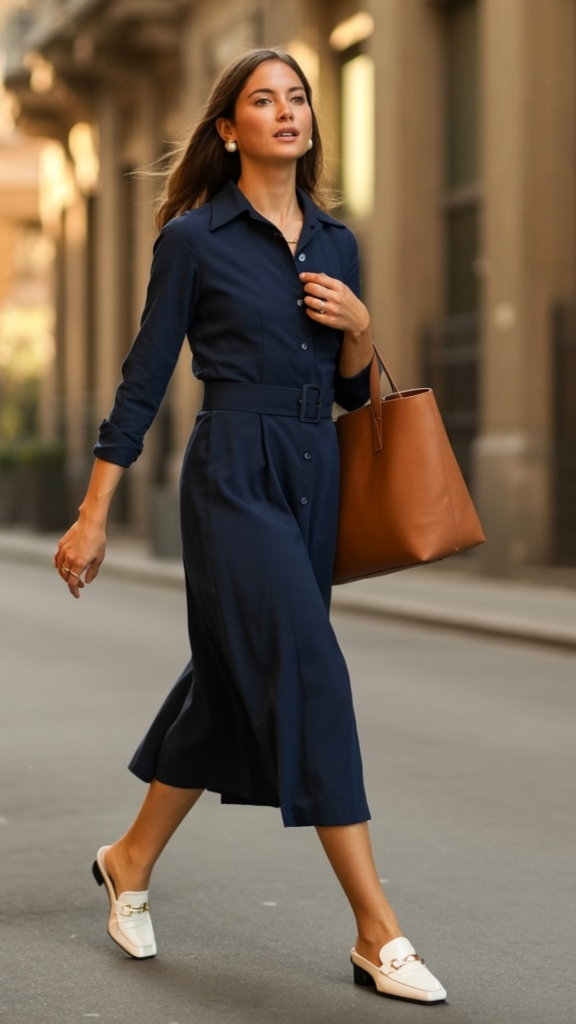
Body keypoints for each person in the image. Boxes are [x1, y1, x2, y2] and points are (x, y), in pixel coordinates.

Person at [54, 48, 447, 1005]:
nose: (286, 111)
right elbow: (145, 380)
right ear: (229, 128)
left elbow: (353, 392)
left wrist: (360, 329)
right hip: (233, 474)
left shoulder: (337, 243)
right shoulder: (194, 239)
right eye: (263, 99)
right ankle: (376, 930)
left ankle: (129, 857)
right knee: (309, 668)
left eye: (298, 97)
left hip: (314, 472)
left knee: (232, 682)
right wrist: (92, 513)